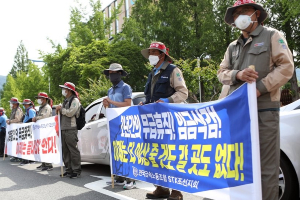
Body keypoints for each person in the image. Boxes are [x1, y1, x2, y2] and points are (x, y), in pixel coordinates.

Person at [217, 1, 294, 199]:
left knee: (267, 167)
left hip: (264, 110)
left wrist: (259, 89)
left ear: (256, 14)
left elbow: (286, 67)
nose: (240, 16)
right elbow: (221, 73)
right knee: (237, 163)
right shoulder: (232, 46)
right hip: (236, 112)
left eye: (245, 11)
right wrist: (237, 74)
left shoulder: (272, 36)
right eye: (236, 14)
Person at [140, 42, 188, 200]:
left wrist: (167, 101)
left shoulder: (173, 70)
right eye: (150, 53)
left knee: (170, 156)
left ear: (162, 55)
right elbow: (150, 97)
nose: (150, 56)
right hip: (153, 123)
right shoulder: (152, 73)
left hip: (168, 122)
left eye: (153, 52)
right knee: (154, 154)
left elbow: (183, 93)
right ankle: (160, 187)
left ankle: (176, 191)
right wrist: (144, 103)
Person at [103, 63, 135, 190]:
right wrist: (107, 104)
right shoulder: (110, 90)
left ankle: (131, 179)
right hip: (114, 123)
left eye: (114, 73)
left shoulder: (126, 87)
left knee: (126, 150)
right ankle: (120, 177)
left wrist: (110, 101)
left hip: (125, 122)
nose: (112, 75)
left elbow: (127, 104)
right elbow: (110, 108)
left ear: (120, 74)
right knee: (117, 150)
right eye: (110, 73)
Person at [56, 82, 81, 179]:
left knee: (73, 150)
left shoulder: (75, 100)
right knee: (65, 150)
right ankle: (68, 169)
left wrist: (61, 109)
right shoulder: (65, 101)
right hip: (63, 128)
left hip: (71, 128)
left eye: (64, 89)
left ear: (69, 90)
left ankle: (76, 170)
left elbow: (71, 113)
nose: (63, 90)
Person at [33, 92, 54, 171]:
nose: (38, 100)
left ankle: (48, 164)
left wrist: (36, 118)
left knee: (46, 147)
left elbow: (44, 116)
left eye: (39, 98)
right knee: (42, 147)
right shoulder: (42, 107)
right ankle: (44, 163)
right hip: (41, 130)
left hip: (46, 130)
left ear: (44, 99)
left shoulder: (47, 107)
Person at [20, 99, 37, 165]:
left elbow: (31, 119)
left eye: (24, 104)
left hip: (29, 129)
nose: (24, 105)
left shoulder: (31, 110)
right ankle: (28, 159)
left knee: (27, 145)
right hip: (27, 129)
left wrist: (25, 123)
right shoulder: (28, 110)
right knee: (27, 144)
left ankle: (28, 160)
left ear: (27, 104)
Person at [6, 97, 24, 162]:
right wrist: (9, 120)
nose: (11, 104)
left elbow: (17, 119)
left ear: (15, 104)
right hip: (14, 129)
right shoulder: (14, 110)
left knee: (18, 143)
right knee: (14, 143)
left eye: (12, 103)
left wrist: (10, 121)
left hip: (17, 128)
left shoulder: (18, 110)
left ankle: (19, 156)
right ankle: (15, 156)